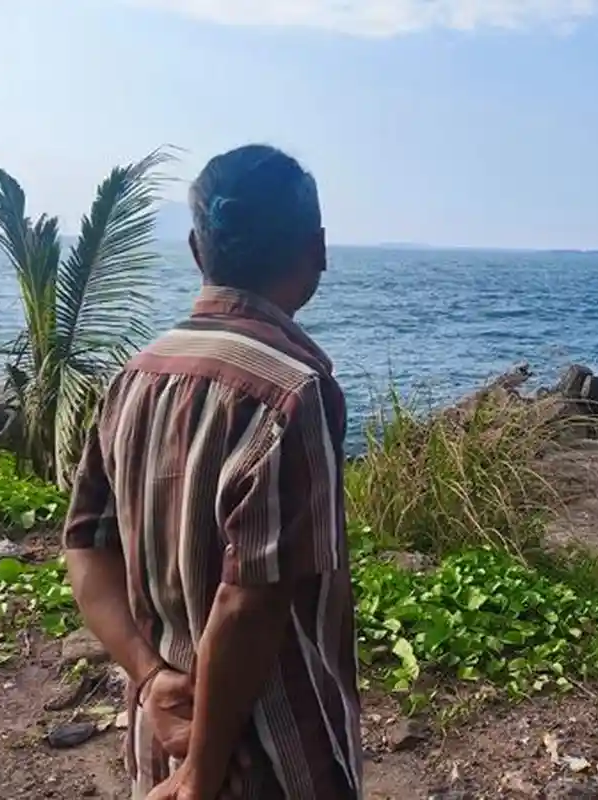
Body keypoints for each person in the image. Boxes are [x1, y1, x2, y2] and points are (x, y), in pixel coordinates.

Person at [63, 144, 362, 800]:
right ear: (317, 251)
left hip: (163, 733)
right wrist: (205, 767)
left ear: (199, 251)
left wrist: (148, 676)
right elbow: (251, 599)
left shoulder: (133, 378)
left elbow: (85, 545)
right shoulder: (294, 391)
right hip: (272, 754)